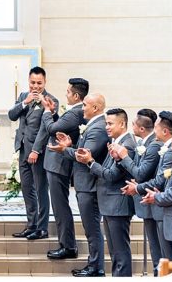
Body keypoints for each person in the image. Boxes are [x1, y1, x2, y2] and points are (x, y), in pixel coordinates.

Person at [52, 93, 110, 277]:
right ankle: (94, 265)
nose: (82, 108)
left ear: (95, 108)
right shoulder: (93, 125)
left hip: (90, 186)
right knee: (89, 227)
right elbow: (82, 148)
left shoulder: (98, 128)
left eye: (85, 105)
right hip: (85, 185)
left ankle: (96, 267)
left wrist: (65, 149)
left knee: (92, 229)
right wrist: (72, 143)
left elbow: (84, 155)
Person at [80, 108, 136, 277]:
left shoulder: (127, 145)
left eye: (110, 123)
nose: (107, 127)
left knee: (120, 253)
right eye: (106, 123)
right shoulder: (115, 142)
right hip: (110, 204)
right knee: (115, 253)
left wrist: (90, 162)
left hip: (117, 203)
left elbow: (112, 175)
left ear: (122, 123)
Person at [39, 78, 88, 260]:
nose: (66, 94)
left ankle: (67, 246)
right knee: (59, 205)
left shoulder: (75, 113)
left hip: (59, 164)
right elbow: (61, 126)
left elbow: (52, 129)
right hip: (59, 163)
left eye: (68, 92)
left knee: (60, 207)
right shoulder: (76, 113)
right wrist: (53, 112)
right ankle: (66, 243)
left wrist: (46, 112)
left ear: (76, 95)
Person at [8, 66, 56, 240]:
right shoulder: (23, 97)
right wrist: (25, 102)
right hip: (22, 149)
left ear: (45, 82)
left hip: (38, 151)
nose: (35, 86)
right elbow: (11, 115)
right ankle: (31, 225)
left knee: (41, 189)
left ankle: (42, 228)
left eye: (39, 83)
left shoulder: (51, 101)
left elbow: (45, 129)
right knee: (27, 188)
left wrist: (36, 150)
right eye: (32, 82)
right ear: (28, 81)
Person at [116, 109, 164, 274]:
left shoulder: (153, 145)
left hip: (151, 202)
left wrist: (124, 157)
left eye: (134, 124)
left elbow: (140, 173)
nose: (132, 127)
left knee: (157, 248)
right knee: (154, 246)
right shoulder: (143, 144)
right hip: (146, 199)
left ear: (141, 129)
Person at [126, 112, 172, 260]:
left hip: (163, 208)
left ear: (165, 131)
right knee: (160, 254)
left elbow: (159, 180)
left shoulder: (169, 153)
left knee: (165, 256)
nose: (153, 130)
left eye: (155, 127)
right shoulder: (166, 150)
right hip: (159, 206)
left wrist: (137, 188)